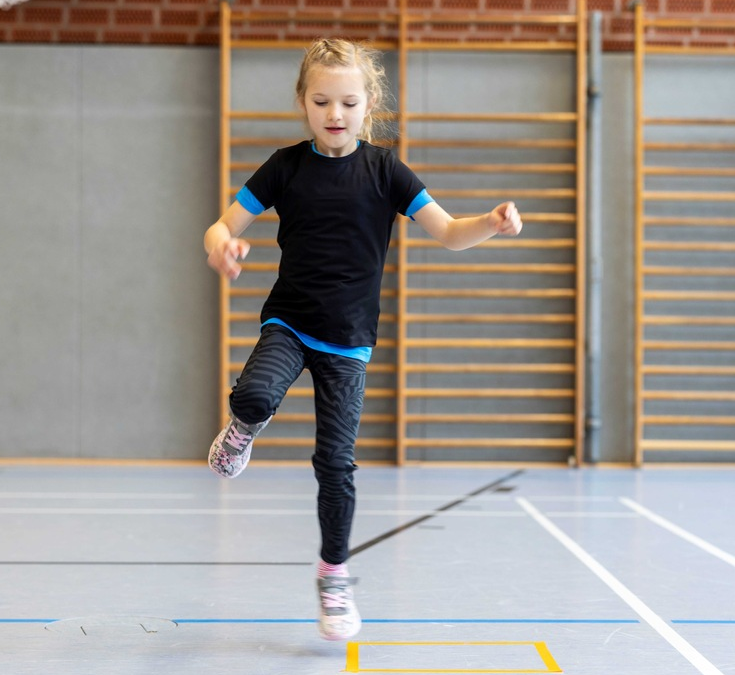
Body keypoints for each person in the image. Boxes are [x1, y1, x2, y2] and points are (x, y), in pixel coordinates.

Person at [202, 38, 523, 641]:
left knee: (335, 464)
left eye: (348, 102)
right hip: (291, 323)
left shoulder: (386, 171)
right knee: (253, 398)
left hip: (349, 343)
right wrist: (222, 245)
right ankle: (242, 431)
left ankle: (334, 574)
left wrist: (491, 222)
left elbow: (450, 232)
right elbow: (222, 223)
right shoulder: (284, 166)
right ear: (302, 101)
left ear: (367, 104)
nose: (335, 113)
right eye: (321, 100)